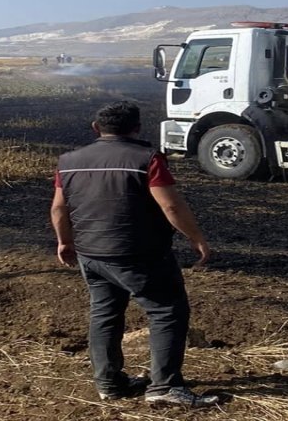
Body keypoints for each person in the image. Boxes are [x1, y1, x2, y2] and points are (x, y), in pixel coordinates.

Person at [50, 101, 220, 408]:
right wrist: (196, 238)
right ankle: (165, 387)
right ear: (137, 127)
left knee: (104, 313)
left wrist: (64, 241)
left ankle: (109, 384)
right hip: (139, 254)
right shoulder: (147, 158)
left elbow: (59, 207)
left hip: (91, 254)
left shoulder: (68, 161)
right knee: (167, 311)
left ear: (96, 128)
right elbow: (171, 205)